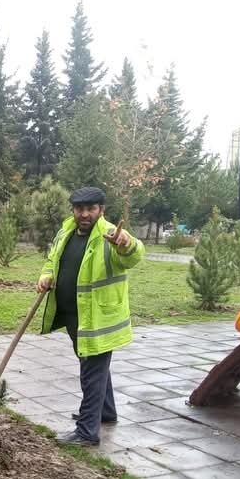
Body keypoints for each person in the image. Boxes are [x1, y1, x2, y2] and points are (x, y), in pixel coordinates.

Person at [36, 186, 145, 446]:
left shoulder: (110, 235)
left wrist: (126, 245)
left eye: (91, 209)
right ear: (74, 210)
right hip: (74, 315)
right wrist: (46, 274)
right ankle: (105, 412)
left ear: (101, 210)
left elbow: (134, 254)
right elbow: (53, 259)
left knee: (91, 373)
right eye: (79, 209)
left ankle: (87, 431)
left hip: (99, 319)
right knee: (96, 369)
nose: (84, 214)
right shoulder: (66, 232)